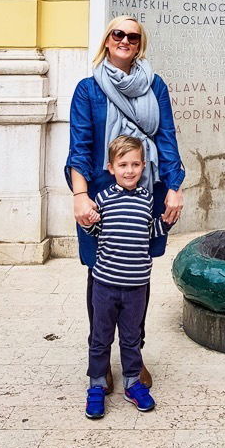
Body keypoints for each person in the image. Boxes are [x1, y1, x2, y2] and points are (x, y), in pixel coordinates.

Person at [65, 15, 185, 393]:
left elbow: (166, 137)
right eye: (118, 33)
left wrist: (175, 186)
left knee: (137, 271)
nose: (125, 40)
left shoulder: (156, 85)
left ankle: (133, 356)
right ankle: (99, 363)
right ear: (107, 40)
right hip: (101, 195)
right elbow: (79, 147)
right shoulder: (88, 90)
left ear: (140, 43)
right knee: (100, 274)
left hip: (147, 189)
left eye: (133, 36)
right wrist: (80, 196)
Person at [81, 135, 159, 419]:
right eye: (123, 164)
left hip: (136, 286)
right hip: (105, 284)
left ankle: (132, 382)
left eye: (135, 164)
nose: (129, 170)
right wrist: (88, 223)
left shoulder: (147, 200)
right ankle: (97, 385)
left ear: (143, 166)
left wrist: (167, 223)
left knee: (131, 337)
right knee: (100, 338)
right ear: (111, 168)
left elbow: (150, 234)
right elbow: (96, 232)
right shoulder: (103, 198)